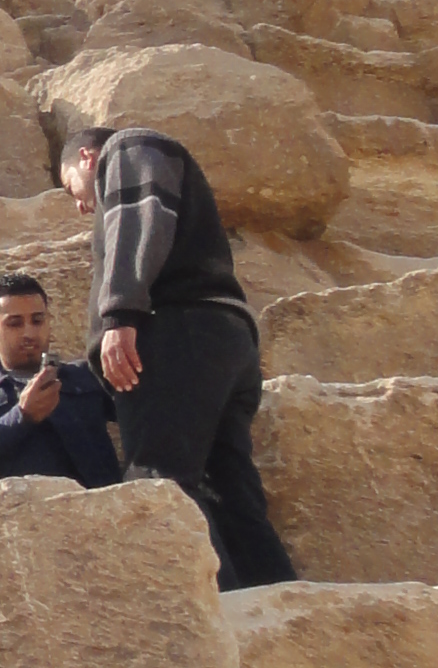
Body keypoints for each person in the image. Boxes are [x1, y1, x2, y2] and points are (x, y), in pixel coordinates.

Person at [59, 129, 295, 588]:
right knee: (228, 491)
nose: (81, 207)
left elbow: (139, 220)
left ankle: (210, 610)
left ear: (87, 157)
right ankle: (276, 604)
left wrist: (120, 315)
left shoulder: (129, 149)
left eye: (71, 189)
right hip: (223, 341)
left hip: (175, 336)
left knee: (160, 484)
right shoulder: (162, 162)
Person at [0, 272, 125, 492]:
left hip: (95, 506)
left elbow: (144, 415)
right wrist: (21, 416)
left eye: (37, 321)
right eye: (14, 324)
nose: (29, 333)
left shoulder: (85, 376)